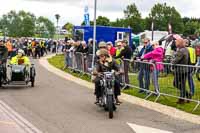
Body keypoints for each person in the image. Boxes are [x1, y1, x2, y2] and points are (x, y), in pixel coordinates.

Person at [172, 38, 190, 104]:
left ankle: (186, 95)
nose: (175, 43)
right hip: (185, 69)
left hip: (180, 70)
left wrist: (172, 61)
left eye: (176, 42)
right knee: (182, 84)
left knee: (175, 83)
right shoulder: (186, 49)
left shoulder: (181, 50)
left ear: (179, 43)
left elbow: (175, 60)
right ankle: (183, 98)